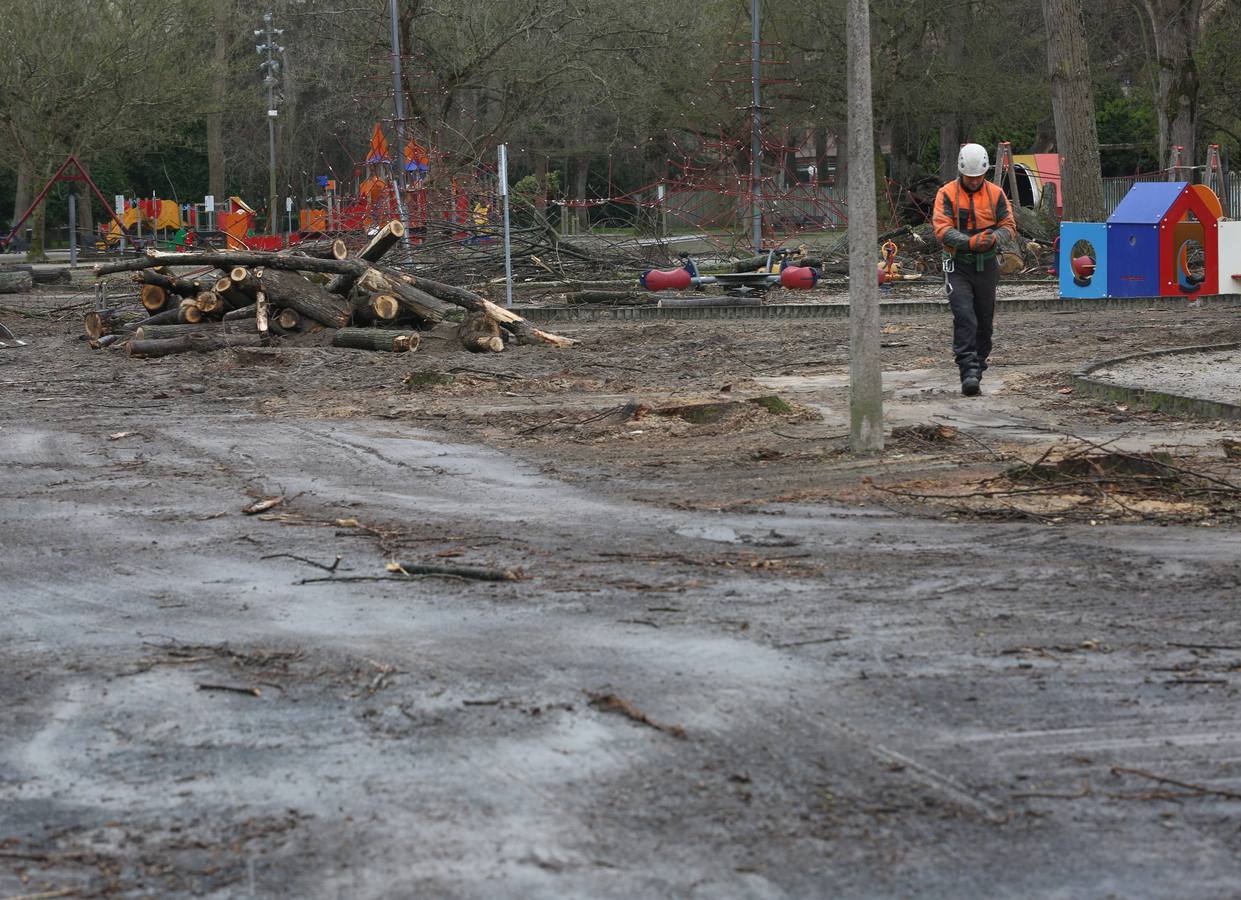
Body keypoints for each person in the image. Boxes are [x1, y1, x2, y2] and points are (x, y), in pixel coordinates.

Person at [932, 143, 1017, 396]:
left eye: (977, 177)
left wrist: (995, 238)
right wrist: (968, 242)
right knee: (964, 314)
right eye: (969, 178)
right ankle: (968, 370)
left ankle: (979, 365)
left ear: (985, 173)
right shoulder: (946, 194)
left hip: (987, 264)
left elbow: (1009, 225)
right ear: (961, 173)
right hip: (957, 263)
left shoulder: (996, 194)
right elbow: (942, 229)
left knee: (984, 320)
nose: (973, 181)